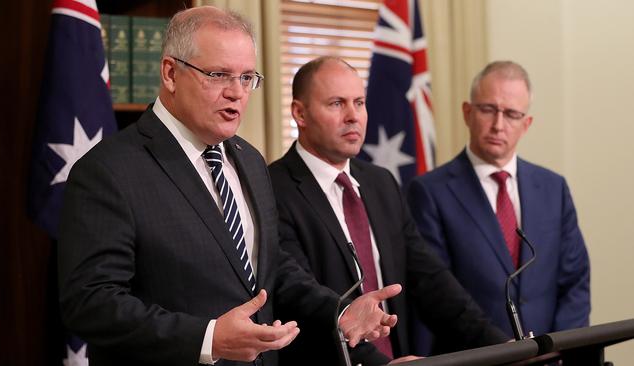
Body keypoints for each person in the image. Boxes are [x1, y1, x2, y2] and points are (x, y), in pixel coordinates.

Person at [57, 7, 402, 366]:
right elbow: (90, 302)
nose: (237, 93)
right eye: (219, 75)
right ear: (171, 73)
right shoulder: (108, 170)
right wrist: (207, 339)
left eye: (247, 77)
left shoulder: (249, 159)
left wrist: (338, 311)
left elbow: (269, 268)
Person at [268, 56, 509, 366]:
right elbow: (300, 300)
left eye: (359, 102)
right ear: (300, 113)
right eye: (337, 104)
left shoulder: (380, 182)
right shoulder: (273, 188)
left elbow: (430, 281)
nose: (353, 116)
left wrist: (502, 346)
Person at [406, 61, 590, 340]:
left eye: (512, 114)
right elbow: (434, 294)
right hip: (475, 356)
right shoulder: (429, 191)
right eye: (488, 109)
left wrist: (560, 351)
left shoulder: (554, 188)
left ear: (526, 124)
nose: (498, 125)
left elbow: (574, 282)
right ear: (467, 113)